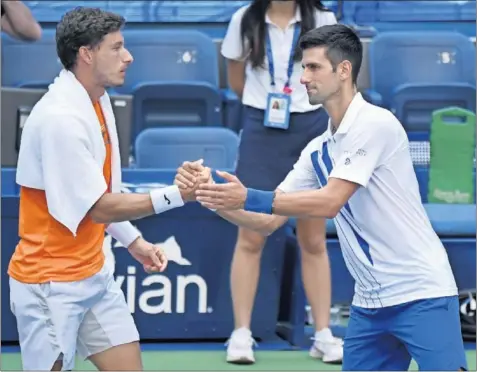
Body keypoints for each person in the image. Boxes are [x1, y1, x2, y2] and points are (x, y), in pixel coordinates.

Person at [176, 24, 468, 371]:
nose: (303, 77)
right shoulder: (317, 150)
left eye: (313, 67)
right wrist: (213, 197)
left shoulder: (375, 124)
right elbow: (268, 222)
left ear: (343, 70)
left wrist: (248, 195)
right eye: (302, 67)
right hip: (370, 305)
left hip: (422, 294)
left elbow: (330, 202)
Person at [8, 7, 204, 371]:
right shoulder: (60, 120)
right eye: (116, 48)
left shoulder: (98, 99)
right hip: (50, 286)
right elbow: (97, 207)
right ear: (86, 54)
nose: (128, 56)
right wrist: (178, 195)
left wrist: (134, 242)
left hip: (94, 275)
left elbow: (103, 190)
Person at [220, 0, 342, 364]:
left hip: (311, 125)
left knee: (313, 238)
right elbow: (236, 79)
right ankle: (241, 334)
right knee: (251, 235)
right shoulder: (244, 19)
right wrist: (268, 103)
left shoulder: (322, 18)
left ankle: (322, 334)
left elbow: (334, 77)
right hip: (262, 129)